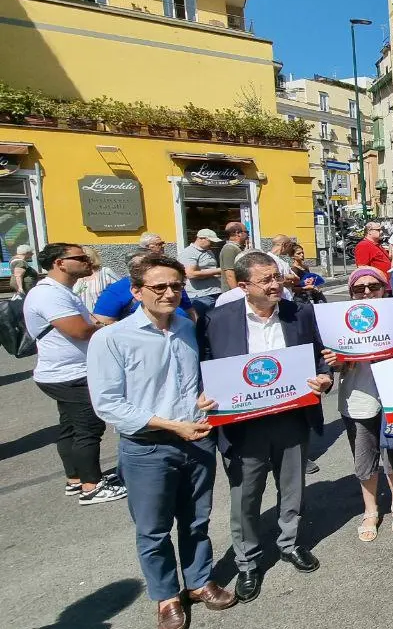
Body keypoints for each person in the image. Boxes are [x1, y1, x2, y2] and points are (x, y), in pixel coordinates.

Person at [86, 254, 236, 629]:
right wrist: (171, 425)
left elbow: (190, 381)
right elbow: (108, 404)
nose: (170, 293)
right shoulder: (111, 338)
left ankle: (199, 582)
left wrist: (204, 399)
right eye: (159, 287)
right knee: (153, 530)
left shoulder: (185, 326)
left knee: (196, 519)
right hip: (148, 446)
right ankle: (166, 596)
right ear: (136, 292)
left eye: (176, 285)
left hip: (197, 438)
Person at [199, 252, 332, 602]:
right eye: (266, 280)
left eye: (277, 277)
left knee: (292, 487)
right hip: (244, 424)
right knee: (245, 495)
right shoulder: (218, 319)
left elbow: (320, 353)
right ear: (243, 286)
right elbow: (205, 364)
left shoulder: (299, 312)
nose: (276, 285)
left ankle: (289, 543)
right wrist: (206, 396)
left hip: (291, 416)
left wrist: (324, 377)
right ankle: (247, 562)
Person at [24, 243, 124, 505]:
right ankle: (92, 486)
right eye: (79, 257)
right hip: (69, 374)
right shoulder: (49, 294)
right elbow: (78, 330)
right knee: (88, 428)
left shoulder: (59, 291)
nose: (87, 261)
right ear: (60, 263)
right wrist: (103, 324)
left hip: (62, 372)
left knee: (69, 427)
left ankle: (76, 479)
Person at [321, 268, 393, 542]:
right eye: (360, 289)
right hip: (358, 397)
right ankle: (370, 509)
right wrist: (335, 362)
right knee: (363, 454)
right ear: (351, 293)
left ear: (385, 288)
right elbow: (331, 364)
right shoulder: (339, 323)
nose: (368, 292)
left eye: (373, 286)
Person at [94, 252, 196, 324]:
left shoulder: (173, 285)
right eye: (159, 287)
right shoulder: (117, 289)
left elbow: (190, 311)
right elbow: (102, 320)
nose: (170, 293)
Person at [178, 229, 224, 316]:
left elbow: (210, 270)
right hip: (201, 296)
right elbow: (190, 274)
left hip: (214, 292)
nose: (212, 244)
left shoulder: (208, 251)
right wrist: (219, 270)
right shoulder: (189, 252)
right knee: (204, 323)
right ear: (201, 239)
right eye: (210, 241)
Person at [72, 246, 119, 315]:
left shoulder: (105, 272)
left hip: (105, 316)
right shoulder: (76, 277)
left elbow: (122, 291)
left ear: (91, 258)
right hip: (83, 318)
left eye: (83, 258)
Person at [220, 222, 249, 290]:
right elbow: (230, 275)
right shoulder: (229, 249)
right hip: (232, 292)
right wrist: (237, 293)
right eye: (246, 232)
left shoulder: (237, 248)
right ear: (238, 233)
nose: (248, 235)